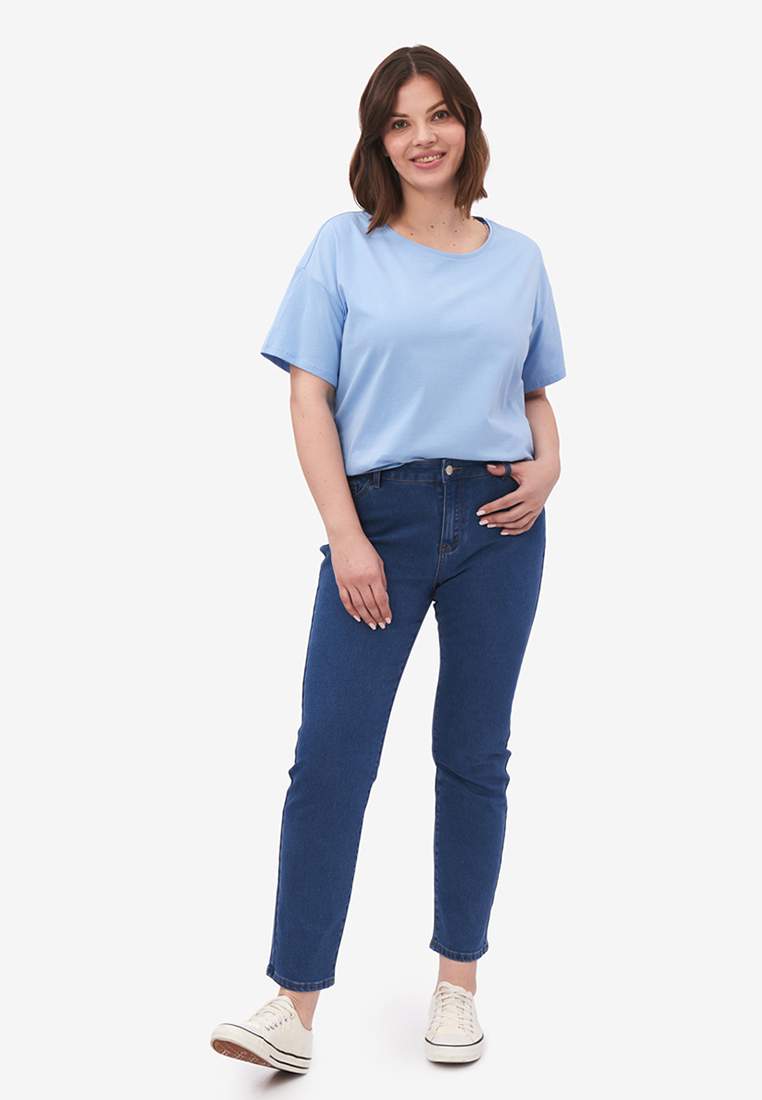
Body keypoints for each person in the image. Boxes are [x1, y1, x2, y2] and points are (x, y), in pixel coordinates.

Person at [211, 43, 566, 1073]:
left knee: (474, 752)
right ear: (378, 139)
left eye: (439, 113)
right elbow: (308, 396)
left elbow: (533, 392)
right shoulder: (344, 246)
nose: (423, 136)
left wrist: (550, 465)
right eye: (400, 121)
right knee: (332, 752)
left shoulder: (519, 258)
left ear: (467, 126)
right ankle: (293, 1004)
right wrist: (347, 535)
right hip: (380, 519)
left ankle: (458, 986)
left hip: (501, 525)